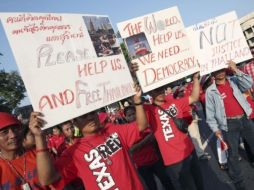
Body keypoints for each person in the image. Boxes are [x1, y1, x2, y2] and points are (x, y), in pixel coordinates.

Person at [28, 84, 148, 190]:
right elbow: (47, 179)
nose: (90, 118)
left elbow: (141, 126)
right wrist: (39, 138)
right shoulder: (73, 153)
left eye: (92, 113)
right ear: (75, 122)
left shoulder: (112, 130)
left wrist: (137, 101)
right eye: (84, 116)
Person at [205, 60, 254, 190]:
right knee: (233, 156)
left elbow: (249, 83)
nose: (220, 72)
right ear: (212, 73)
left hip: (245, 119)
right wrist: (215, 129)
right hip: (229, 124)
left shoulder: (234, 80)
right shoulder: (210, 91)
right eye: (217, 70)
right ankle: (240, 185)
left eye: (221, 69)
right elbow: (210, 114)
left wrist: (236, 70)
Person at [124, 105, 175, 190]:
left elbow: (154, 137)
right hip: (142, 165)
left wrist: (140, 144)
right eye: (129, 115)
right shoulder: (125, 131)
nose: (132, 116)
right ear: (125, 118)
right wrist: (146, 139)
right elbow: (131, 149)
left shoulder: (145, 124)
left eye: (133, 113)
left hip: (155, 159)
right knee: (151, 186)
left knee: (166, 181)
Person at [0, 112, 47, 189]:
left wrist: (39, 136)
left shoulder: (39, 154)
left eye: (15, 129)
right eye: (4, 132)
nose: (13, 135)